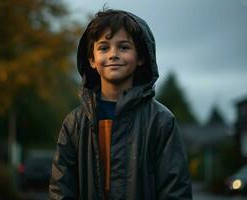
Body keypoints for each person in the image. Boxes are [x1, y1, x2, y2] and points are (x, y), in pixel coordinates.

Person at [49, 9, 192, 200]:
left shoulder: (160, 121)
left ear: (141, 57)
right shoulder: (74, 123)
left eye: (123, 47)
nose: (113, 54)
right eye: (103, 48)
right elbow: (61, 188)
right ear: (92, 60)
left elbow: (175, 190)